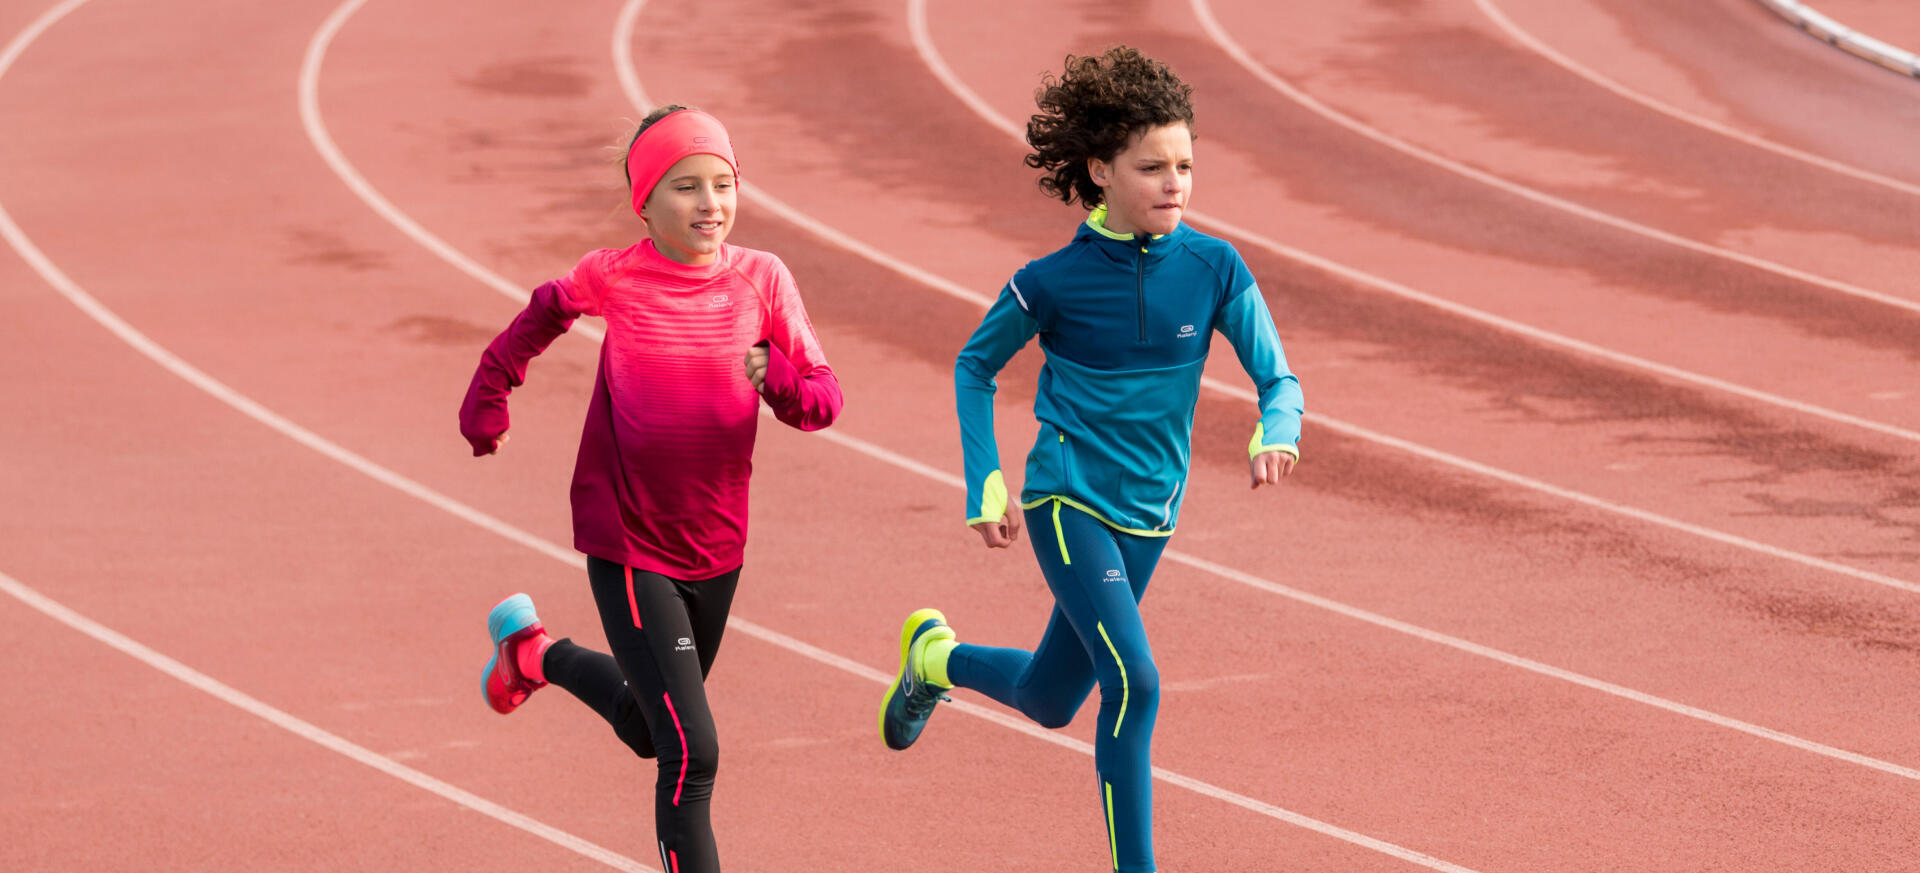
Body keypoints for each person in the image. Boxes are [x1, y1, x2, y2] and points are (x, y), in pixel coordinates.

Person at [878, 47, 1303, 873]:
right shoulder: (1052, 282)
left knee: (1049, 696)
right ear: (1101, 171)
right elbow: (974, 364)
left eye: (1185, 165)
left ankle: (933, 660)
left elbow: (1275, 372)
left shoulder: (1216, 267)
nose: (1174, 182)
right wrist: (987, 477)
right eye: (1152, 167)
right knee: (1135, 683)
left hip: (1152, 511)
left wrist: (1275, 425)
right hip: (1068, 501)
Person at [460, 105, 842, 873]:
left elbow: (825, 401)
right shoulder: (615, 275)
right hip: (631, 541)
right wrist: (490, 393)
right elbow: (538, 317)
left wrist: (784, 382)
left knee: (647, 724)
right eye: (685, 187)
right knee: (692, 752)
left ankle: (535, 655)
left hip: (717, 543)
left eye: (722, 184)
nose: (710, 204)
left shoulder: (763, 279)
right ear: (644, 201)